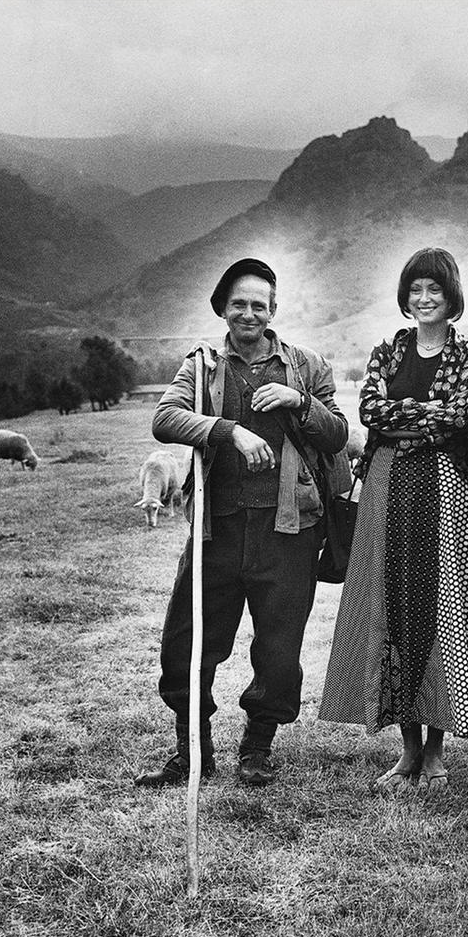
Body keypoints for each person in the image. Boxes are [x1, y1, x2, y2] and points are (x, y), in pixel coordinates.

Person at [134, 258, 349, 788]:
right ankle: (193, 752)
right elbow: (165, 418)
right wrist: (227, 430)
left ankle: (257, 748)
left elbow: (337, 433)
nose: (249, 313)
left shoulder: (306, 366)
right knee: (187, 642)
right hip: (217, 531)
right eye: (239, 304)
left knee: (279, 649)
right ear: (223, 309)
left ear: (273, 310)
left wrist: (300, 403)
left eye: (259, 304)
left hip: (290, 533)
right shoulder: (203, 366)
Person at [319, 247, 468, 791]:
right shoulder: (389, 350)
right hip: (386, 483)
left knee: (441, 606)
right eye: (415, 291)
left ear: (451, 299)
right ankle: (407, 750)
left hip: (443, 487)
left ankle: (437, 750)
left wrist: (420, 419)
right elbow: (371, 410)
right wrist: (432, 416)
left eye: (434, 292)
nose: (423, 300)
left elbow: (461, 417)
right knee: (388, 605)